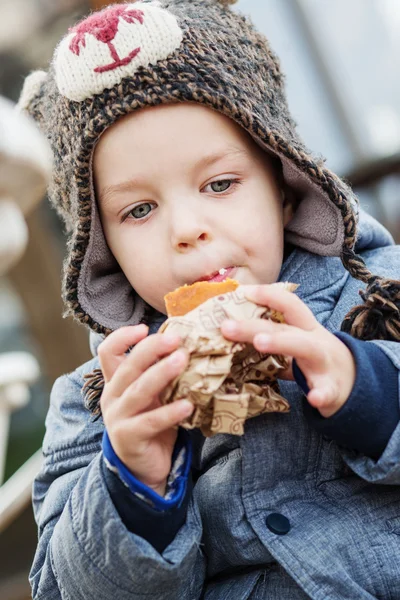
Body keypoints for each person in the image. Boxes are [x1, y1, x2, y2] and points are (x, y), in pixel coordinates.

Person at [19, 1, 400, 598]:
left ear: (285, 189)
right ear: (104, 250)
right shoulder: (99, 401)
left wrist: (371, 388)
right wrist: (132, 482)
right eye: (139, 209)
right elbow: (61, 587)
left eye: (219, 184)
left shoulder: (379, 296)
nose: (187, 228)